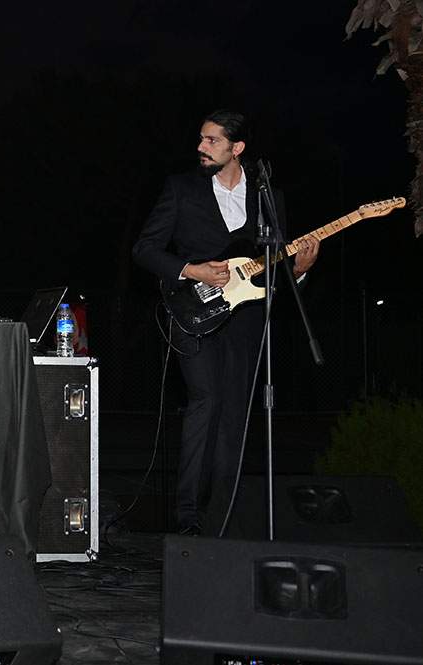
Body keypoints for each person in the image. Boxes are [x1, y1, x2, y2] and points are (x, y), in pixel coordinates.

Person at [133, 110, 318, 536]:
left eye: (212, 141)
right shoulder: (181, 188)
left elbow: (272, 268)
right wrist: (191, 270)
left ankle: (223, 514)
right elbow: (145, 249)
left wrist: (299, 270)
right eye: (201, 139)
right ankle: (187, 516)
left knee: (235, 410)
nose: (201, 147)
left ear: (237, 148)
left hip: (247, 317)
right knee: (206, 400)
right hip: (192, 310)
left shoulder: (267, 196)